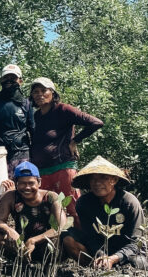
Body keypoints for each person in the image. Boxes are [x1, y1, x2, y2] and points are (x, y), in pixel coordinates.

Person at [29, 77, 103, 223]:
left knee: (74, 208)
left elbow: (96, 123)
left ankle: (83, 242)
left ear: (53, 93)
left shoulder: (63, 110)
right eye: (35, 92)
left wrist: (75, 141)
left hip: (63, 167)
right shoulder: (35, 117)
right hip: (42, 171)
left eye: (44, 90)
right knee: (47, 211)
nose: (39, 94)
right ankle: (56, 244)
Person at [62, 156, 148, 270]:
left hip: (125, 252)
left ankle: (115, 268)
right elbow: (90, 237)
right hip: (98, 250)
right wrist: (102, 255)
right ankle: (94, 269)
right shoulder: (83, 203)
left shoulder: (129, 203)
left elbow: (136, 243)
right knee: (67, 236)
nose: (97, 183)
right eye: (93, 179)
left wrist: (114, 258)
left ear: (114, 180)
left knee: (139, 263)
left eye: (103, 178)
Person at [0, 162, 63, 263]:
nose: (27, 187)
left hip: (45, 243)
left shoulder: (51, 197)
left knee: (57, 240)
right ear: (16, 183)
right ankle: (22, 264)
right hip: (21, 244)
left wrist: (34, 240)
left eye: (31, 183)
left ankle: (46, 266)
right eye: (22, 183)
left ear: (39, 182)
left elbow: (59, 227)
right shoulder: (11, 196)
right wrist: (9, 230)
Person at [0, 64, 35, 173]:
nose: (9, 81)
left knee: (24, 187)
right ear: (1, 80)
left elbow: (33, 130)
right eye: (6, 78)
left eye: (13, 78)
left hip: (23, 154)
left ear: (20, 81)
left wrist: (36, 155)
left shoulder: (27, 104)